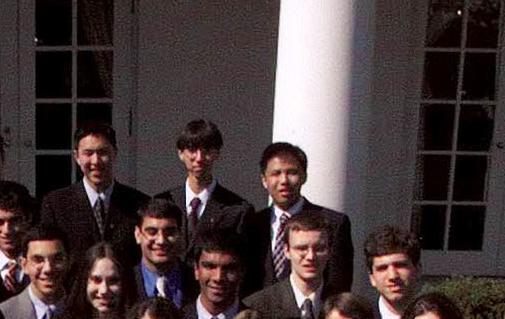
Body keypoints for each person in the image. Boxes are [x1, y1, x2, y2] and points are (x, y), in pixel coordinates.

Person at [246, 141, 353, 296]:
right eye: (276, 173)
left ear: (304, 176)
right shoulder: (252, 224)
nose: (284, 181)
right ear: (264, 179)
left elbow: (339, 285)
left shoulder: (333, 223)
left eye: (291, 172)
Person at [37, 121, 148, 267]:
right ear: (77, 157)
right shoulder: (56, 205)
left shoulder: (139, 203)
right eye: (88, 153)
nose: (95, 161)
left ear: (114, 153)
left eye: (103, 152)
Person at [242, 210, 334, 319]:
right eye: (301, 248)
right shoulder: (257, 306)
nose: (310, 257)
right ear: (286, 250)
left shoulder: (340, 304)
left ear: (329, 251)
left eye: (319, 248)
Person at [155, 118, 254, 265]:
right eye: (192, 150)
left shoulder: (237, 209)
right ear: (181, 153)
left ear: (217, 153)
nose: (199, 158)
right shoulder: (163, 202)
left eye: (207, 150)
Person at [361, 225, 422, 319]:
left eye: (400, 265)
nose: (393, 276)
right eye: (382, 268)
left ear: (417, 269)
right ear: (372, 278)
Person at [0, 225, 68, 319]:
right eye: (38, 260)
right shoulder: (4, 315)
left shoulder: (83, 312)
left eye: (57, 259)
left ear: (68, 261)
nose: (48, 269)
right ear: (24, 265)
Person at [131, 197, 193, 305]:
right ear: (137, 234)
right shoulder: (124, 283)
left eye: (169, 232)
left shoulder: (196, 283)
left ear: (180, 234)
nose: (161, 241)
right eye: (152, 232)